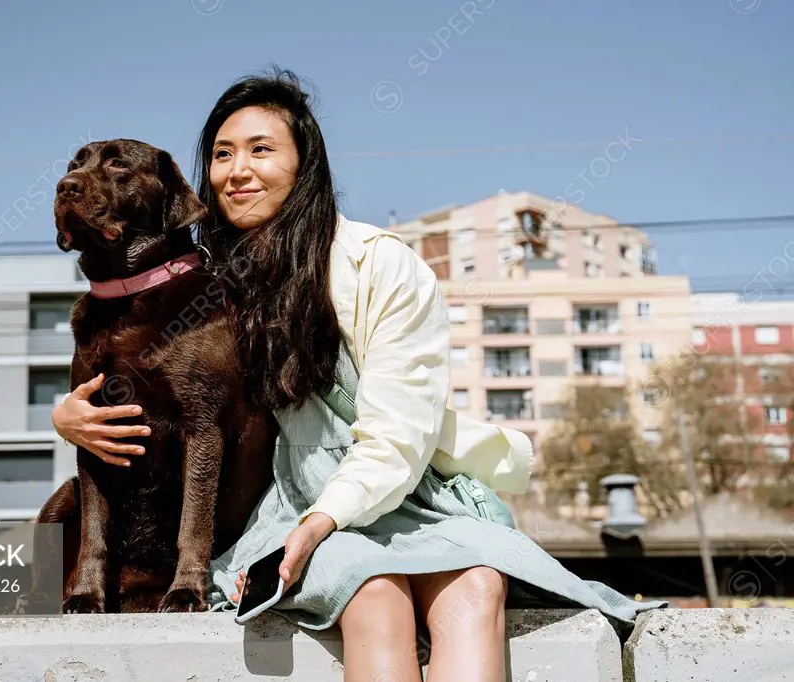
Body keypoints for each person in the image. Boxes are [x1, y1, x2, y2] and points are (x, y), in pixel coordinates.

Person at [53, 67, 665, 682]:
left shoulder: (381, 264)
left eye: (262, 150)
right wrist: (68, 415)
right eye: (222, 154)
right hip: (285, 503)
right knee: (372, 591)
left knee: (477, 586)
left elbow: (398, 431)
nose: (238, 170)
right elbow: (155, 379)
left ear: (304, 165)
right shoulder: (200, 277)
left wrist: (325, 519)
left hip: (400, 491)